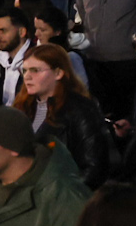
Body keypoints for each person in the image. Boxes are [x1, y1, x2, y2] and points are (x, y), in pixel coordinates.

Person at [13, 42, 114, 189]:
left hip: (62, 198)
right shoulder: (21, 107)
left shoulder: (81, 109)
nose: (27, 76)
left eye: (35, 70)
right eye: (25, 70)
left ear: (58, 73)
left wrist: (60, 195)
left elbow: (94, 168)